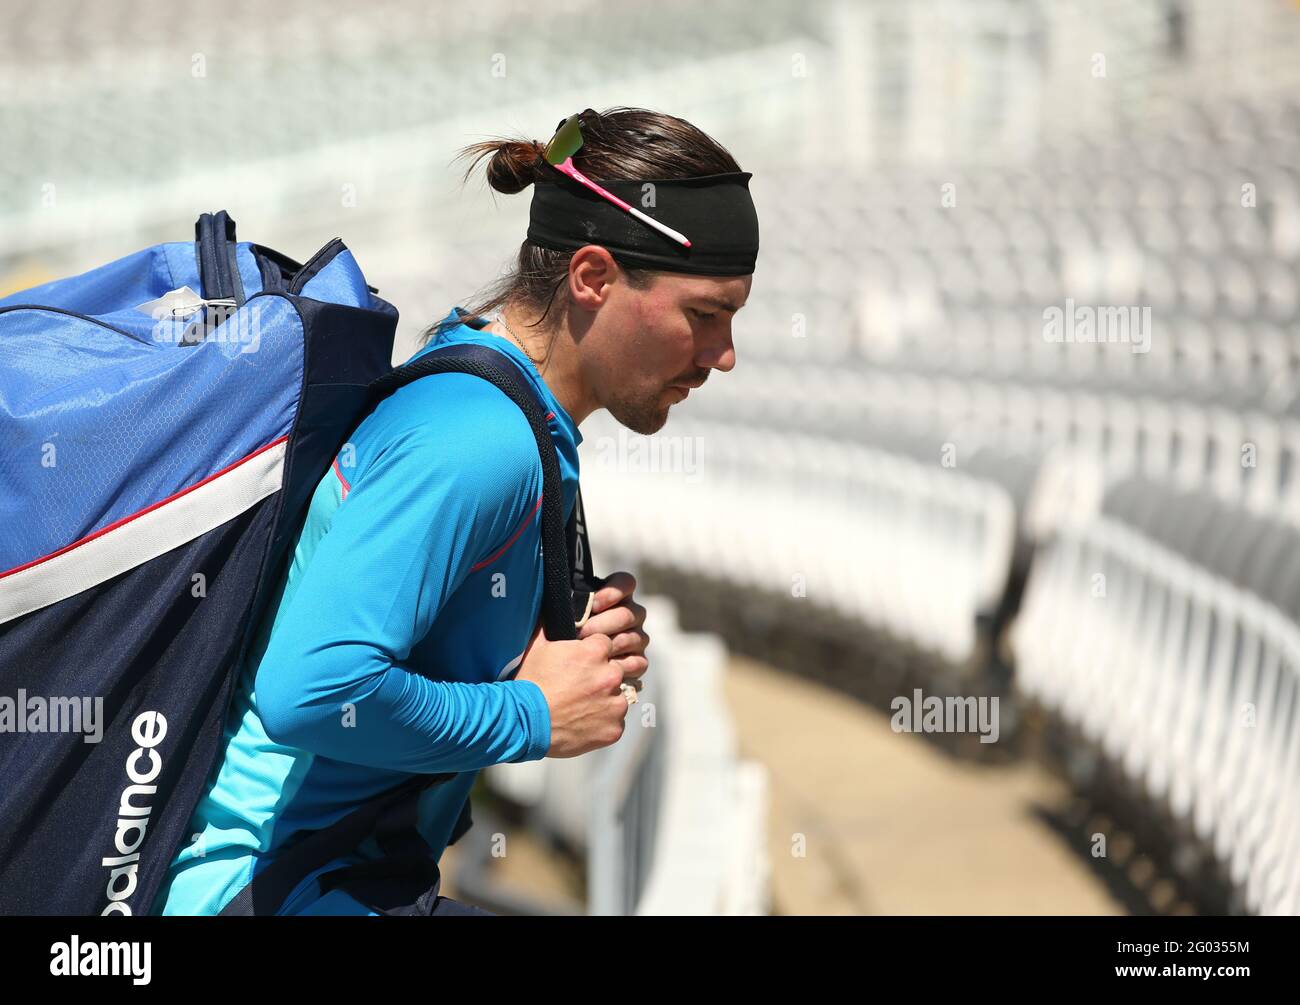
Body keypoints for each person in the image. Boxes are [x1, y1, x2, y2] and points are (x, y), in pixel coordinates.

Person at [150, 105, 759, 915]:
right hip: (264, 885)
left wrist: (550, 654)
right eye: (704, 315)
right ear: (593, 278)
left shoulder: (492, 392)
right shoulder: (477, 437)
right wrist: (532, 712)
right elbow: (316, 687)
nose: (723, 355)